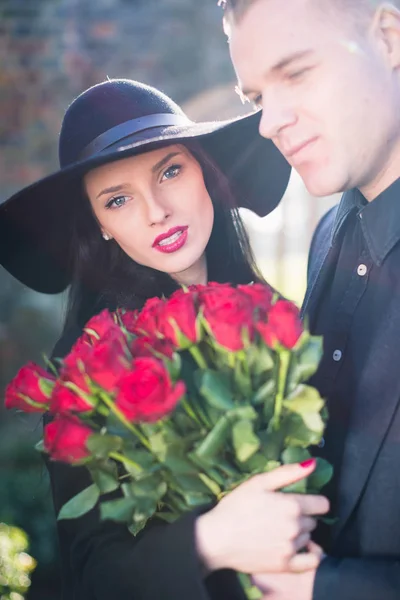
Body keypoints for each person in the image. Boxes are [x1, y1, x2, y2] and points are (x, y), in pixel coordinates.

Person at [0, 78, 329, 600]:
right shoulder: (91, 370)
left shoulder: (283, 320)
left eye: (170, 171)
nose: (156, 210)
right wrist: (209, 540)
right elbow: (92, 571)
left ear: (205, 172)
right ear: (99, 224)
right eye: (118, 199)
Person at [222, 0, 400, 599]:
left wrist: (327, 591)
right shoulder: (328, 235)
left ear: (390, 40)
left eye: (295, 72)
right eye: (255, 99)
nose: (269, 122)